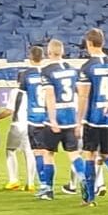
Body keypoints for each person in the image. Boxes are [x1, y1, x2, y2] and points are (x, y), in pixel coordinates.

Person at [76, 28, 108, 206]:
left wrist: (79, 121)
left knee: (89, 156)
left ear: (88, 43)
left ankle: (89, 198)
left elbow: (83, 96)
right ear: (102, 43)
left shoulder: (87, 67)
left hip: (93, 118)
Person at [41, 40, 82, 195]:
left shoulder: (47, 71)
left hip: (56, 117)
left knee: (48, 153)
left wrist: (52, 120)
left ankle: (48, 190)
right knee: (74, 154)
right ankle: (86, 184)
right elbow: (80, 93)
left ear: (49, 52)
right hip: (71, 118)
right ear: (62, 52)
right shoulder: (72, 70)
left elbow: (50, 96)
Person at [18, 46, 56, 199]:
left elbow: (22, 95)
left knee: (38, 153)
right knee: (49, 154)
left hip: (34, 118)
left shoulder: (26, 75)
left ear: (30, 57)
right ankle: (50, 186)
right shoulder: (50, 72)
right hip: (49, 118)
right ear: (44, 56)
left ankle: (44, 186)